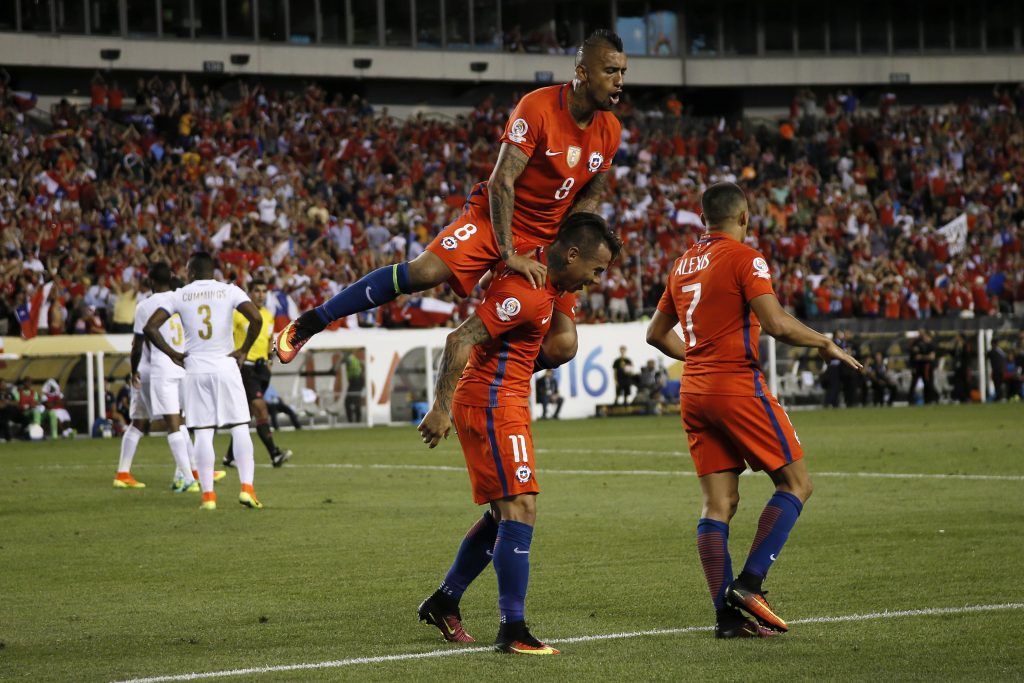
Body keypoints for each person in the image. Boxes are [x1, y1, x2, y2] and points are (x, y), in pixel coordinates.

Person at [275, 30, 627, 377]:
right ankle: (312, 321)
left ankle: (475, 376)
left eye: (623, 72)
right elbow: (502, 181)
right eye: (610, 71)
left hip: (547, 238)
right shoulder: (538, 107)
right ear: (582, 73)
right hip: (495, 221)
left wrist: (572, 245)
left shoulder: (610, 129)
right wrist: (508, 254)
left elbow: (591, 196)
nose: (619, 81)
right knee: (422, 273)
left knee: (564, 345)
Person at [645, 182, 862, 639]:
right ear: (745, 217)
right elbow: (777, 323)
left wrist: (697, 357)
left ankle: (727, 621)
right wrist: (825, 342)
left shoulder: (681, 264)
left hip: (695, 392)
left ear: (705, 219)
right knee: (796, 483)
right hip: (736, 386)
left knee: (718, 503)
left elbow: (655, 334)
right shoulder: (746, 258)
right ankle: (749, 584)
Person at [416, 212, 619, 654]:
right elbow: (459, 340)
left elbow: (563, 343)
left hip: (504, 401)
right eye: (596, 270)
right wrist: (440, 407)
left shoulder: (549, 288)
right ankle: (513, 628)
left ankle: (445, 600)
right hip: (490, 403)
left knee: (502, 515)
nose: (597, 280)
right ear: (571, 254)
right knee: (520, 509)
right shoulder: (525, 290)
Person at [144, 252, 264, 511]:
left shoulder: (180, 295)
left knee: (203, 432)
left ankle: (208, 496)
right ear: (213, 271)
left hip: (195, 368)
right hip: (225, 365)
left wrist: (174, 354)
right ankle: (247, 489)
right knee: (240, 426)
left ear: (191, 271)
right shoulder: (229, 290)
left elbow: (150, 327)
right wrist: (244, 350)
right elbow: (256, 318)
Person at [114, 264, 216, 492]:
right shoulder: (181, 299)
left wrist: (133, 371)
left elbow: (137, 343)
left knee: (161, 422)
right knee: (172, 422)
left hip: (156, 368)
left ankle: (188, 473)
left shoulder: (144, 306)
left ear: (150, 281)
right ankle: (189, 473)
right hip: (180, 366)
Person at [223, 279, 292, 469]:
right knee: (261, 408)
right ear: (249, 293)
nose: (261, 294)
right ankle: (274, 453)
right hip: (245, 368)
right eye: (257, 291)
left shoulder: (268, 316)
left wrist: (270, 360)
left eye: (264, 291)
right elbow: (226, 337)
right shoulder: (238, 315)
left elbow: (270, 339)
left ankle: (229, 457)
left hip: (262, 369)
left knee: (245, 415)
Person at [908, 329, 937, 404]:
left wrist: (921, 357)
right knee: (914, 383)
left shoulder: (931, 345)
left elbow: (931, 357)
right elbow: (912, 354)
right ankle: (911, 400)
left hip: (926, 367)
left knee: (928, 383)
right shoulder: (917, 343)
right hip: (918, 366)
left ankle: (929, 399)